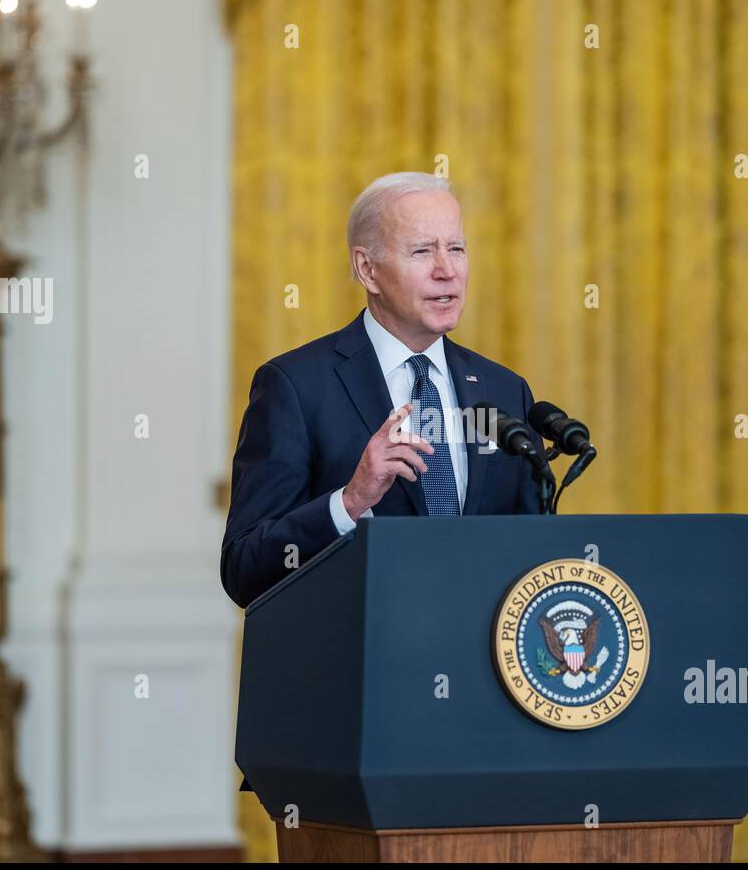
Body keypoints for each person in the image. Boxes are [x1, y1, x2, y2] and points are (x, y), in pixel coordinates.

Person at [220, 172, 546, 608]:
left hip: (478, 664)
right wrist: (351, 501)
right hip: (359, 664)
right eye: (421, 251)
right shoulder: (296, 387)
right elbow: (244, 569)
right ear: (367, 269)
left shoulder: (505, 391)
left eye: (456, 248)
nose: (446, 271)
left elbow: (531, 554)